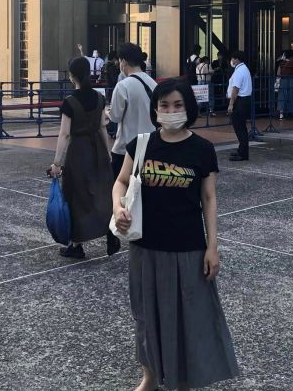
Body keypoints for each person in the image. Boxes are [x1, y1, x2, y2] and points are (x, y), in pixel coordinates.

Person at [113, 79, 239, 391]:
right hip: (145, 246)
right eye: (165, 105)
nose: (171, 111)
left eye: (178, 105)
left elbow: (209, 198)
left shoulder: (202, 149)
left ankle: (183, 380)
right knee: (146, 316)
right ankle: (150, 377)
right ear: (155, 109)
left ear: (189, 108)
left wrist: (212, 246)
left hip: (188, 248)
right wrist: (117, 206)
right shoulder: (141, 145)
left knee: (188, 318)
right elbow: (121, 181)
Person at [48, 57, 118, 259]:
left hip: (78, 152)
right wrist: (107, 153)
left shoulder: (70, 102)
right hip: (98, 148)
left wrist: (57, 163)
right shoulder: (99, 98)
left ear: (72, 77)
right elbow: (102, 127)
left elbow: (64, 134)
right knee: (102, 193)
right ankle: (110, 231)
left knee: (76, 196)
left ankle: (76, 244)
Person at [106, 42, 157, 179]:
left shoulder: (123, 86)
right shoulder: (153, 84)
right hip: (150, 146)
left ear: (123, 61)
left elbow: (115, 117)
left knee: (122, 187)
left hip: (126, 149)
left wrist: (106, 112)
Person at [226, 50, 252, 162]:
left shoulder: (240, 71)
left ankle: (243, 153)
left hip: (240, 101)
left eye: (233, 58)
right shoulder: (243, 69)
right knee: (241, 127)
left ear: (236, 59)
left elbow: (235, 88)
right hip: (244, 100)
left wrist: (231, 104)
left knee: (239, 127)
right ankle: (242, 150)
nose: (231, 60)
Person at [275, 48, 293, 120]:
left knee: (282, 97)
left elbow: (278, 73)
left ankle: (281, 114)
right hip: (291, 81)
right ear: (291, 56)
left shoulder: (281, 63)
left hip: (283, 81)